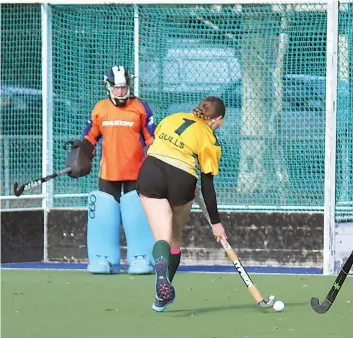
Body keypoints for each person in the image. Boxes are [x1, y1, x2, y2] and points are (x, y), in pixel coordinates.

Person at [136, 96, 228, 312]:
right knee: (175, 239)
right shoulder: (209, 137)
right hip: (183, 180)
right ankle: (161, 296)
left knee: (162, 237)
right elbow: (207, 184)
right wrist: (216, 222)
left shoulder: (172, 118)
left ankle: (161, 277)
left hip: (151, 172)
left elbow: (157, 144)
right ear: (218, 118)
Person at [65, 65, 156, 275]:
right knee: (105, 214)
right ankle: (103, 258)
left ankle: (141, 257)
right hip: (109, 173)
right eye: (117, 88)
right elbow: (90, 138)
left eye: (124, 88)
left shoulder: (141, 108)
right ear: (109, 87)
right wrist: (79, 157)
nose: (121, 92)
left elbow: (152, 140)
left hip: (137, 173)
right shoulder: (100, 109)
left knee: (138, 214)